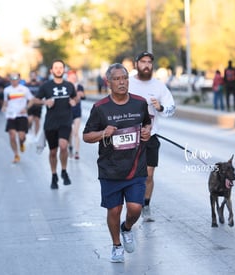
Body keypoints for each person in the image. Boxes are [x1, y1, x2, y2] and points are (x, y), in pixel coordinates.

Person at [83, 63, 152, 263]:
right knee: (114, 210)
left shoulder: (140, 103)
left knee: (135, 209)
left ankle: (127, 228)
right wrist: (104, 133)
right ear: (109, 82)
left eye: (125, 78)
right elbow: (87, 136)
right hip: (110, 168)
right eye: (117, 79)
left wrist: (147, 130)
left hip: (136, 166)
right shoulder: (100, 108)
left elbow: (147, 122)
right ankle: (116, 245)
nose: (122, 82)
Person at [128, 51, 176, 222]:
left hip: (151, 137)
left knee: (148, 175)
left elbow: (171, 108)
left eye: (149, 62)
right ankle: (131, 206)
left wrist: (160, 107)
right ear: (136, 64)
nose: (146, 65)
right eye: (143, 62)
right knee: (131, 174)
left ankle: (146, 205)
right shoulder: (128, 83)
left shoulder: (158, 86)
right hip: (129, 137)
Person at [32, 59, 78, 189]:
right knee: (53, 152)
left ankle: (63, 171)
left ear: (64, 70)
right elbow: (35, 100)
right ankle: (54, 175)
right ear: (51, 71)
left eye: (60, 67)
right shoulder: (46, 86)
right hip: (51, 123)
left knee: (63, 146)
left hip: (65, 121)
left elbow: (75, 97)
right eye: (56, 68)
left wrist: (74, 101)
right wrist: (45, 102)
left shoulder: (69, 85)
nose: (58, 70)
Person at [1, 73, 34, 163]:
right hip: (11, 115)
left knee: (21, 136)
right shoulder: (7, 90)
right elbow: (6, 101)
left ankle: (21, 143)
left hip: (21, 115)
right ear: (10, 80)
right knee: (11, 135)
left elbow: (32, 99)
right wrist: (4, 107)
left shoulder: (24, 89)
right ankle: (16, 155)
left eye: (16, 79)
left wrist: (26, 108)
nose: (14, 81)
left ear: (19, 80)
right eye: (12, 79)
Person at [67, 70, 85, 160]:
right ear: (68, 77)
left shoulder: (79, 86)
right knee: (69, 132)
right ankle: (70, 147)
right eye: (72, 77)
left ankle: (77, 152)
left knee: (75, 132)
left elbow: (83, 95)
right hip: (68, 112)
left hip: (77, 111)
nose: (74, 78)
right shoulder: (66, 86)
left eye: (75, 77)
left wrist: (79, 95)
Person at [26, 71, 43, 136]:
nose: (33, 77)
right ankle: (29, 128)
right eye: (32, 75)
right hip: (29, 105)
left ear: (36, 76)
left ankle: (36, 136)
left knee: (37, 121)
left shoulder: (40, 85)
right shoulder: (27, 85)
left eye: (34, 75)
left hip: (38, 105)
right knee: (29, 119)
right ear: (30, 76)